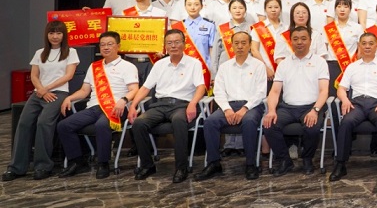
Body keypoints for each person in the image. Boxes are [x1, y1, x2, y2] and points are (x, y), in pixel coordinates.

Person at [57, 31, 139, 179]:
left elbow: (134, 89)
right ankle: (77, 161)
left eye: (110, 44)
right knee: (64, 125)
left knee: (101, 125)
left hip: (117, 108)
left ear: (118, 46)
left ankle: (103, 163)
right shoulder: (94, 67)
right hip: (94, 107)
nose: (106, 47)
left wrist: (123, 100)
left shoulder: (128, 66)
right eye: (102, 45)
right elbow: (84, 91)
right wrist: (69, 98)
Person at [3, 21, 79, 181]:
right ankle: (16, 167)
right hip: (39, 93)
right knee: (23, 123)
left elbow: (69, 75)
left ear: (64, 35)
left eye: (58, 33)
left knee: (44, 123)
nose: (55, 36)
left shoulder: (71, 52)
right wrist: (42, 90)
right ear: (47, 35)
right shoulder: (40, 53)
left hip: (58, 93)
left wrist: (47, 88)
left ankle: (43, 166)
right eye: (51, 33)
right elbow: (34, 75)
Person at [128, 29, 207, 183]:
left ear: (184, 44)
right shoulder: (159, 64)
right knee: (139, 123)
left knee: (179, 121)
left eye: (177, 42)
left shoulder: (194, 63)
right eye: (169, 43)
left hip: (182, 105)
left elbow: (201, 87)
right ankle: (147, 165)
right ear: (165, 46)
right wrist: (133, 105)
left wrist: (193, 103)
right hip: (160, 105)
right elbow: (145, 88)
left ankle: (181, 167)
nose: (173, 46)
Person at [195, 31, 266, 181]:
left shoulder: (259, 66)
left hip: (252, 106)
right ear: (231, 45)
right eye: (236, 43)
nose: (240, 46)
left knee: (249, 121)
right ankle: (214, 163)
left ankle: (251, 164)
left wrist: (244, 109)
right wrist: (227, 109)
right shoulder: (225, 67)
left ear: (249, 45)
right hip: (228, 105)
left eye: (244, 43)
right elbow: (219, 91)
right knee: (210, 122)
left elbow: (261, 92)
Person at [330, 33, 377, 182]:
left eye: (371, 43)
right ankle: (340, 164)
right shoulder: (352, 67)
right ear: (359, 46)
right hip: (357, 104)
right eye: (364, 43)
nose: (367, 46)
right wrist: (345, 100)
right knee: (346, 122)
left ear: (376, 46)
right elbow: (341, 88)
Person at [261, 27, 330, 177]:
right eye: (296, 39)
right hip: (287, 108)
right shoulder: (284, 64)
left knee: (312, 127)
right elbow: (275, 91)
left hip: (311, 107)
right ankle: (285, 160)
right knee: (269, 125)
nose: (300, 42)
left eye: (304, 39)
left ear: (310, 41)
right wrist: (271, 110)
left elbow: (324, 91)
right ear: (290, 41)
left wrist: (315, 110)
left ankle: (307, 159)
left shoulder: (320, 62)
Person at [322, 0, 363, 98]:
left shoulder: (357, 28)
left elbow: (361, 49)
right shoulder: (328, 28)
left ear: (350, 9)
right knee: (332, 95)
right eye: (339, 6)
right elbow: (324, 49)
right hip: (332, 65)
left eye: (345, 6)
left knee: (350, 95)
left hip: (351, 65)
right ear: (335, 9)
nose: (342, 9)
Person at [173, 0, 218, 73]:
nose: (192, 7)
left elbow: (212, 50)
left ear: (201, 6)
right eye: (189, 5)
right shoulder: (179, 27)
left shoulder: (209, 26)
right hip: (182, 68)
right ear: (185, 7)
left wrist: (213, 71)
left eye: (196, 4)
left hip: (203, 68)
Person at [210, 0, 253, 79]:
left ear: (245, 10)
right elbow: (215, 53)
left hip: (246, 70)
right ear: (229, 11)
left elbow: (254, 51)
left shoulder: (251, 28)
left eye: (241, 8)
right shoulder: (222, 29)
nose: (237, 11)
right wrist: (214, 75)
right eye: (234, 8)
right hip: (225, 70)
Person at [250, 0, 291, 80]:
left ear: (280, 9)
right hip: (264, 72)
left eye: (276, 7)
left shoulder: (287, 28)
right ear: (265, 10)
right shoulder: (258, 28)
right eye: (270, 7)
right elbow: (254, 50)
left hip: (285, 72)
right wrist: (265, 68)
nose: (273, 10)